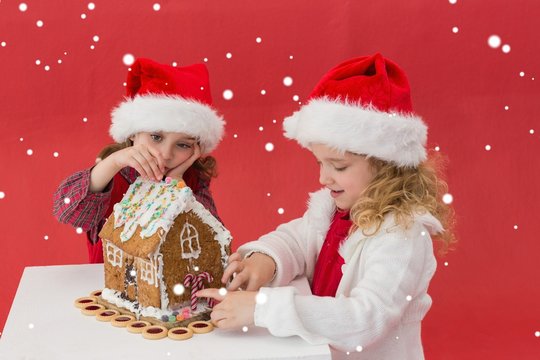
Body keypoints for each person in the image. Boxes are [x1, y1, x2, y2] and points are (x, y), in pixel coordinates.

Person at [198, 53, 455, 359]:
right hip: (318, 352)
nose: (323, 177)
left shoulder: (402, 235)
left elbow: (366, 319)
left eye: (339, 166)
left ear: (387, 166)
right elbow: (296, 239)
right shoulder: (336, 211)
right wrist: (265, 261)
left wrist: (262, 308)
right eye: (319, 163)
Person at [53, 58, 225, 263]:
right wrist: (111, 163)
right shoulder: (113, 176)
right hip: (108, 286)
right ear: (133, 133)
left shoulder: (192, 181)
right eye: (156, 137)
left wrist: (175, 185)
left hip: (171, 291)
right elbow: (68, 211)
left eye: (183, 145)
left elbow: (212, 240)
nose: (166, 153)